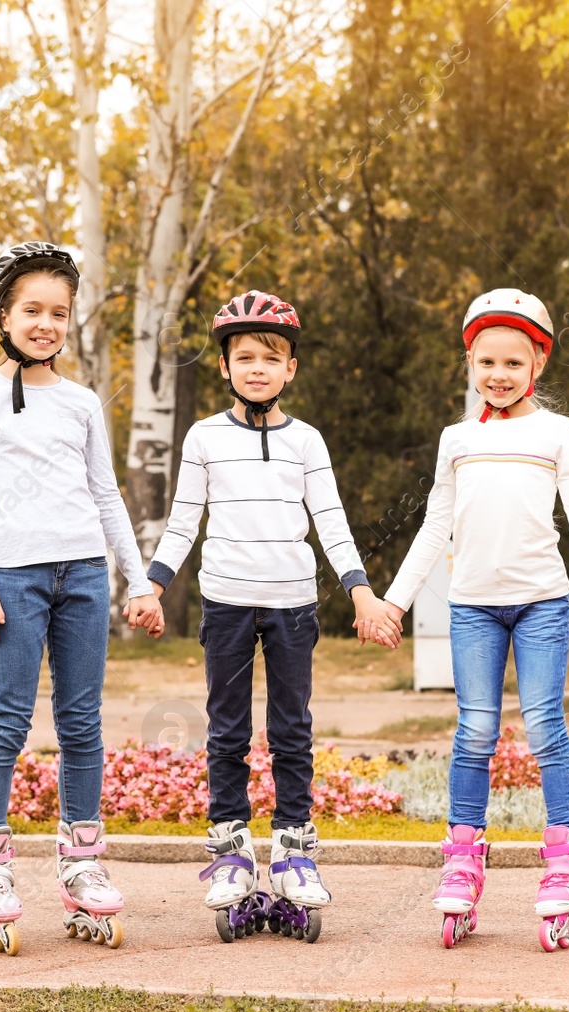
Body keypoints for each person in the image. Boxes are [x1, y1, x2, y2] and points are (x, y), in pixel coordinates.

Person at [380, 288, 569, 952]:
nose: (499, 373)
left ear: (537, 366)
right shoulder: (457, 439)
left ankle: (567, 858)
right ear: (470, 361)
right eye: (486, 361)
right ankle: (463, 855)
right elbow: (436, 524)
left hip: (542, 603)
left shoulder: (556, 432)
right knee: (475, 730)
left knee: (546, 725)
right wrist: (395, 602)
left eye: (513, 363)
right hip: (472, 607)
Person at [146, 289, 400, 944]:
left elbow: (332, 522)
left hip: (293, 604)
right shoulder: (204, 437)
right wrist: (152, 585)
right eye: (245, 355)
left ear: (292, 369)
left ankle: (292, 852)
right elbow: (183, 522)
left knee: (293, 730)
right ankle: (231, 852)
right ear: (226, 366)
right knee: (226, 731)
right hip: (226, 602)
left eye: (272, 357)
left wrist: (362, 591)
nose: (258, 367)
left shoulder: (306, 442)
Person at [0, 241, 165, 955]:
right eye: (32, 310)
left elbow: (107, 493)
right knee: (7, 719)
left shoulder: (79, 402)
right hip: (13, 579)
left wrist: (137, 578)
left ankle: (82, 861)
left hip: (83, 576)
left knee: (82, 723)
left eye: (59, 312)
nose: (46, 323)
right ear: (4, 315)